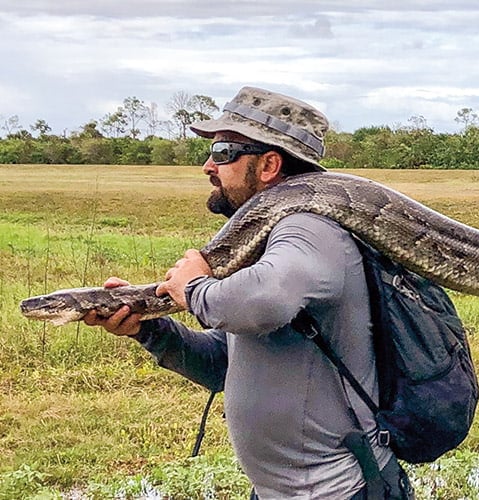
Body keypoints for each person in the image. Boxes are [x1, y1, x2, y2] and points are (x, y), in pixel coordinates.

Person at [82, 87, 412, 499]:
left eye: (223, 152)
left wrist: (193, 290)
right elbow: (223, 365)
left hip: (340, 492)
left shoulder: (309, 229)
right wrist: (148, 330)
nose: (208, 165)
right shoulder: (266, 241)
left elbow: (264, 303)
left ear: (270, 164)